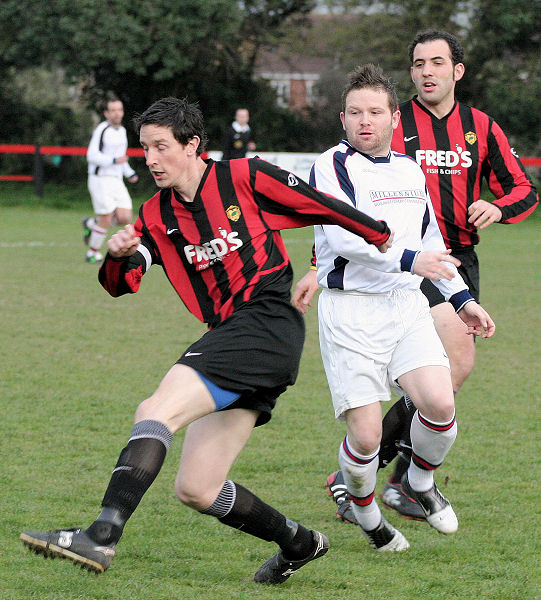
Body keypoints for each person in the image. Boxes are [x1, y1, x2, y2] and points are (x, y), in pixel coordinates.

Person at [20, 97, 394, 584]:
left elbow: (323, 207)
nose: (150, 159)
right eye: (145, 148)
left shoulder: (245, 176)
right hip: (237, 337)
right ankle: (300, 543)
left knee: (155, 410)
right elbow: (123, 281)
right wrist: (117, 255)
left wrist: (384, 238)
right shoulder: (156, 213)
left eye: (161, 147)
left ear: (192, 145)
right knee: (197, 488)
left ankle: (102, 534)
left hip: (265, 321)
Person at [294, 30, 538, 523]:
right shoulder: (389, 122)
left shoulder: (480, 127)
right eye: (418, 63)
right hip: (403, 266)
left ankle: (391, 472)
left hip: (451, 260)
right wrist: (319, 265)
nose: (427, 71)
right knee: (455, 362)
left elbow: (524, 189)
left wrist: (495, 204)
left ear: (457, 71)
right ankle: (389, 475)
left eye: (437, 62)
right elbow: (341, 216)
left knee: (453, 372)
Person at [82, 94, 139, 264]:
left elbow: (120, 158)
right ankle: (92, 253)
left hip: (116, 180)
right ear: (106, 113)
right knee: (106, 217)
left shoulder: (121, 131)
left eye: (119, 110)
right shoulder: (102, 130)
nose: (117, 113)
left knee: (124, 217)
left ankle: (92, 224)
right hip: (100, 179)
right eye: (113, 110)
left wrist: (129, 172)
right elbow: (91, 155)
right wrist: (113, 161)